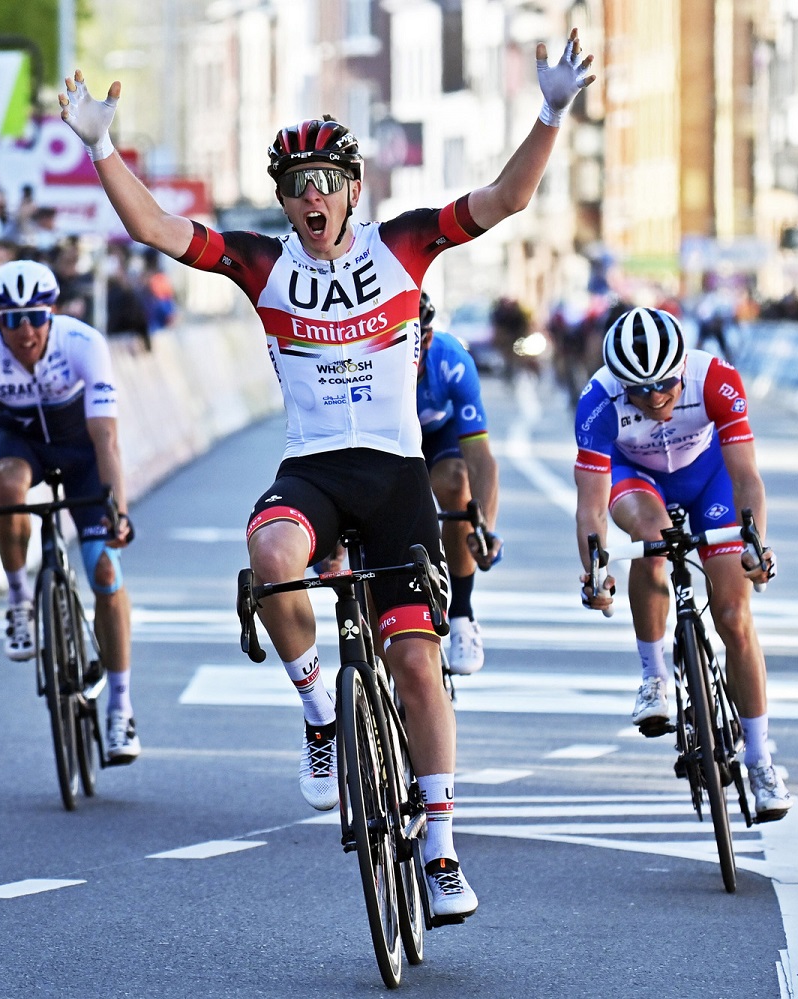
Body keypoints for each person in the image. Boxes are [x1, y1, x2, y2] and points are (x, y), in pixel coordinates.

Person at [59, 29, 592, 920]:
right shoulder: (262, 262)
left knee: (417, 661)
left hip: (394, 479)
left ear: (352, 189)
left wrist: (549, 111)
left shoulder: (406, 246)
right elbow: (154, 229)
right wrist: (102, 147)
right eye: (295, 187)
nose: (311, 199)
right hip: (312, 469)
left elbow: (505, 198)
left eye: (325, 184)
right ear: (285, 199)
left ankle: (442, 845)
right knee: (269, 550)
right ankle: (318, 716)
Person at [572, 307, 791, 822]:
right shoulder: (597, 402)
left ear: (682, 369)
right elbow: (591, 506)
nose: (654, 399)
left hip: (708, 477)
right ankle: (654, 677)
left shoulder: (714, 377)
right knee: (648, 540)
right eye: (640, 391)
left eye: (665, 386)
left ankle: (760, 760)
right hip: (636, 479)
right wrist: (594, 571)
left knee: (734, 618)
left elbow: (747, 478)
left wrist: (755, 543)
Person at [0, 260, 140, 762]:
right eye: (13, 320)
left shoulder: (82, 344)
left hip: (81, 449)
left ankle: (121, 708)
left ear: (52, 312)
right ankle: (19, 601)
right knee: (7, 483)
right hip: (22, 444)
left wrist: (116, 511)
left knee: (105, 570)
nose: (27, 330)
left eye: (36, 317)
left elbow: (107, 438)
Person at [415, 291, 502, 675]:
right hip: (383, 438)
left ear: (428, 338)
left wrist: (485, 529)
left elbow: (480, 458)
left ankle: (462, 614)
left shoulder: (451, 360)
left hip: (438, 433)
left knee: (455, 483)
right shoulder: (362, 359)